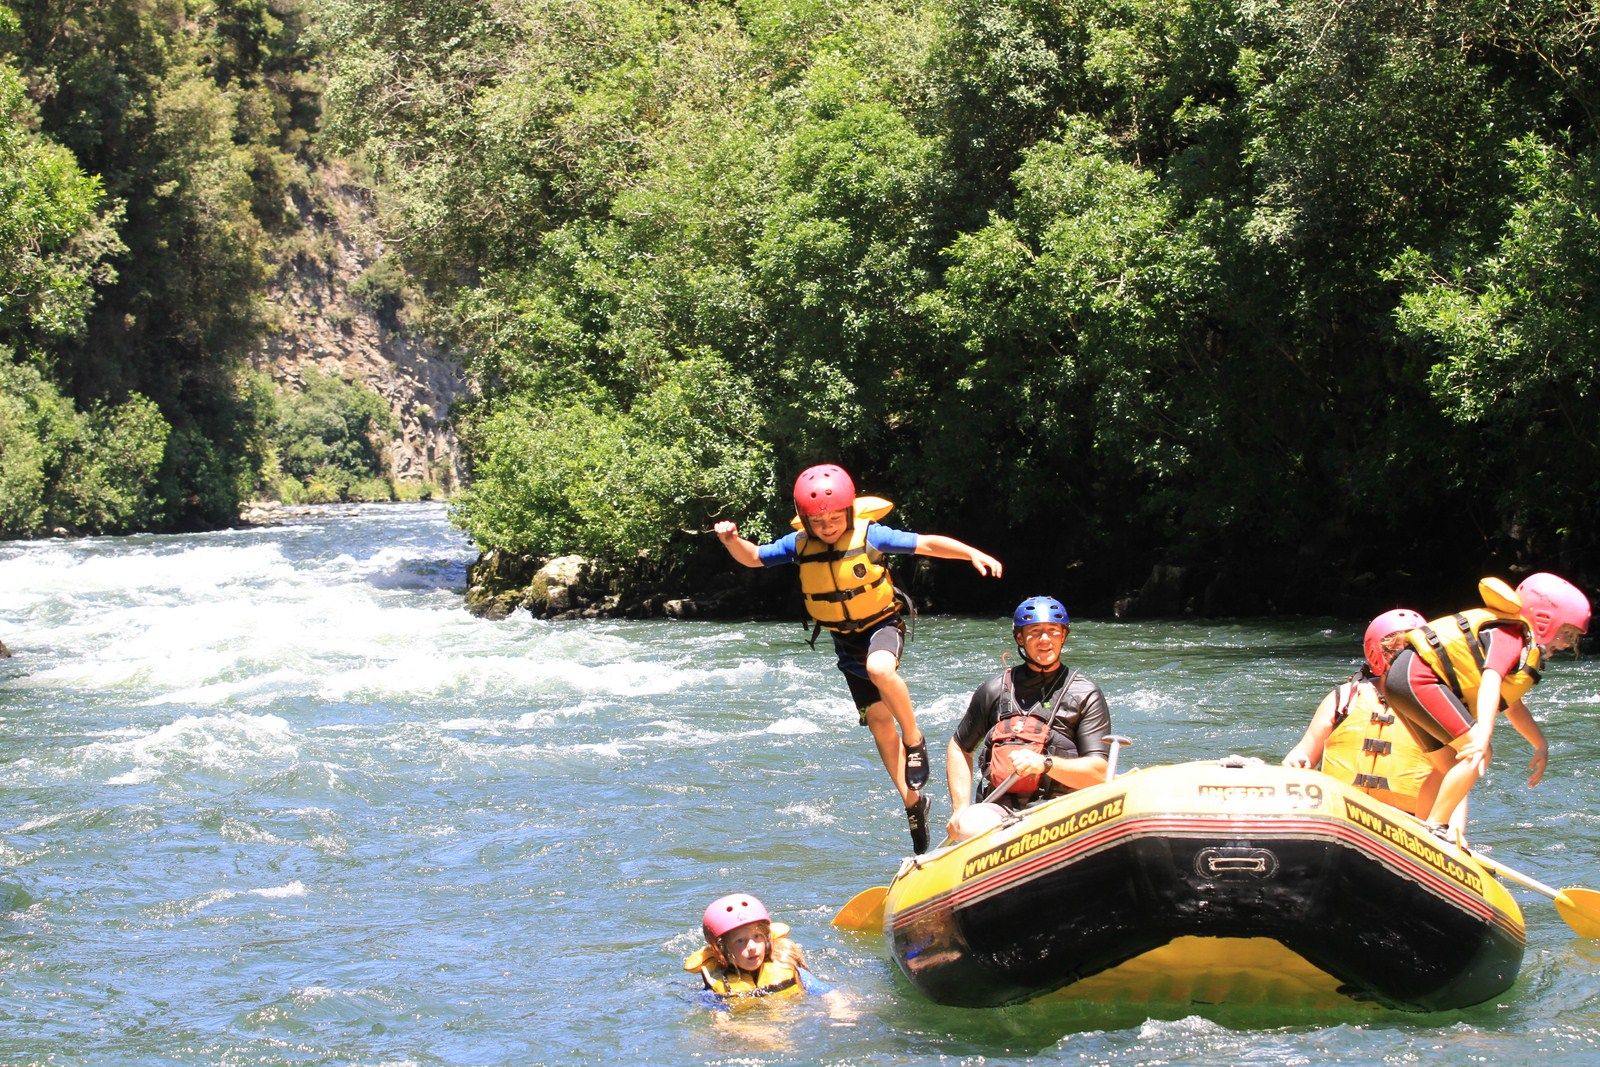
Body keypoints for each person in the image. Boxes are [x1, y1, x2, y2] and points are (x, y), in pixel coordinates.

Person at [715, 464, 1003, 854]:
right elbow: (752, 558)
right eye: (819, 520)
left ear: (849, 512)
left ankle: (916, 741)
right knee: (879, 724)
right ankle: (913, 800)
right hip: (845, 640)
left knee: (880, 668)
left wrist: (971, 553)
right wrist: (731, 539)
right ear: (805, 520)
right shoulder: (797, 545)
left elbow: (928, 544)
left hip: (882, 624)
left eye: (835, 517)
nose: (828, 525)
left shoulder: (872, 535)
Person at [1384, 573, 1591, 839]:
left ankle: (1423, 827)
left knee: (1446, 764)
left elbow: (1513, 706)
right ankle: (1435, 829)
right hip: (1418, 679)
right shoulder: (1510, 635)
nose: (1565, 644)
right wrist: (1483, 736)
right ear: (1543, 620)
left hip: (1403, 679)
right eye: (1566, 634)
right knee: (1478, 753)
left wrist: (1540, 744)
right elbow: (1490, 680)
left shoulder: (1519, 644)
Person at [946, 597, 1111, 838]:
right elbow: (959, 746)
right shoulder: (993, 690)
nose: (1045, 640)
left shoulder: (1085, 694)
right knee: (969, 824)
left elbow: (1099, 772)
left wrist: (1045, 763)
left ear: (1063, 636)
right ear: (1020, 638)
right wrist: (960, 808)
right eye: (1035, 632)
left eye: (1053, 631)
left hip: (1061, 807)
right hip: (1001, 807)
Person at [1284, 608, 1433, 815]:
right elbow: (1304, 750)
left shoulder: (1435, 703)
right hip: (1340, 812)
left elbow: (1452, 772)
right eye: (1394, 652)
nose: (1403, 660)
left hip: (1407, 823)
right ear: (1376, 654)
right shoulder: (1345, 698)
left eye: (1412, 652)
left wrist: (1452, 831)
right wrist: (1296, 761)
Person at [684, 893, 827, 1007]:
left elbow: (827, 993)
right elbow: (719, 1023)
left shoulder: (788, 967)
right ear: (722, 951)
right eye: (740, 941)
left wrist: (839, 1008)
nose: (752, 947)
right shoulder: (714, 991)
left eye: (757, 936)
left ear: (767, 938)